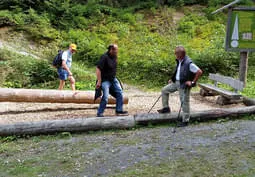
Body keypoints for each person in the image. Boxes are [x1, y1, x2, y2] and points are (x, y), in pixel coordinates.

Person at [157, 46, 203, 127]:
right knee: (164, 90)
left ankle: (185, 120)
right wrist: (172, 79)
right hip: (176, 83)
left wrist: (192, 82)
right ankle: (166, 108)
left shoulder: (189, 63)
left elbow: (199, 72)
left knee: (184, 102)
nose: (175, 55)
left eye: (176, 53)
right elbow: (178, 71)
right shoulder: (180, 61)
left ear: (181, 54)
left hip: (184, 84)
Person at [96, 44, 128, 117]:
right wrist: (99, 81)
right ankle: (100, 112)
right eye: (115, 50)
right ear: (111, 50)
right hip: (105, 80)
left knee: (120, 93)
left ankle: (119, 110)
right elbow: (98, 69)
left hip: (113, 79)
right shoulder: (104, 57)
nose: (117, 51)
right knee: (106, 97)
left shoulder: (114, 56)